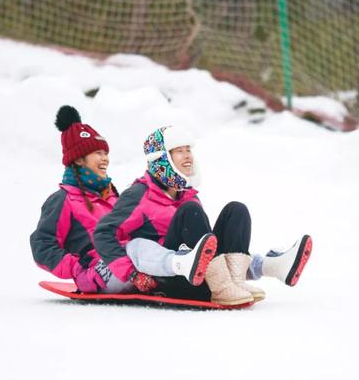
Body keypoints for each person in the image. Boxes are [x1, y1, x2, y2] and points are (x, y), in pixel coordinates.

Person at [93, 125, 312, 305]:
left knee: (236, 210)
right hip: (170, 279)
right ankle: (223, 287)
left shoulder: (187, 194)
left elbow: (204, 243)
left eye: (188, 149)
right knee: (191, 213)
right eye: (179, 150)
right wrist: (132, 274)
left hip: (199, 272)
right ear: (161, 158)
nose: (187, 155)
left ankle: (234, 283)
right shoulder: (139, 195)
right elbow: (104, 234)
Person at [30, 106, 213, 294]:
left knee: (142, 243)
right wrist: (77, 267)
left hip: (129, 264)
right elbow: (42, 246)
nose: (105, 159)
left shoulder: (112, 196)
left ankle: (206, 270)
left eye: (106, 153)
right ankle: (180, 264)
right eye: (98, 154)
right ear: (78, 160)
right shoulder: (63, 199)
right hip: (99, 272)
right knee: (137, 246)